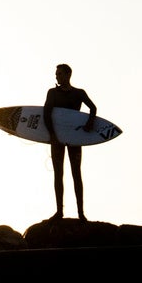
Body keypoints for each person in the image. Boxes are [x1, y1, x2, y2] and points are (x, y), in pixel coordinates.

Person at [44, 62, 98, 220]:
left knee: (76, 174)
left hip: (74, 137)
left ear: (68, 75)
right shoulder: (52, 93)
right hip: (57, 138)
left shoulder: (79, 93)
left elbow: (93, 108)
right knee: (58, 174)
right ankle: (59, 211)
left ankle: (81, 213)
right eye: (56, 74)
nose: (56, 76)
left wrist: (89, 123)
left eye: (59, 74)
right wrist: (52, 135)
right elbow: (46, 114)